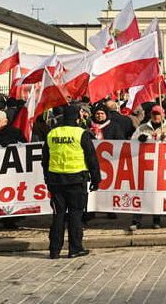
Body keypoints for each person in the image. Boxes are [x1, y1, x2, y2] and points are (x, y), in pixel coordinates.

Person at [42, 106, 100, 259]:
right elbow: (91, 158)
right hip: (76, 179)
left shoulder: (52, 133)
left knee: (58, 215)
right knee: (75, 215)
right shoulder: (81, 133)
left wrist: (47, 178)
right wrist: (96, 179)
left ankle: (54, 250)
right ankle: (75, 248)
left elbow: (45, 160)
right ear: (76, 117)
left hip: (56, 180)